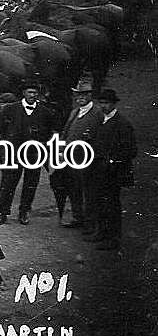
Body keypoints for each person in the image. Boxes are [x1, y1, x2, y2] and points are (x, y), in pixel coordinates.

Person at [0, 83, 56, 225]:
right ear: (24, 93)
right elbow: (2, 130)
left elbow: (48, 133)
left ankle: (24, 212)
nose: (32, 95)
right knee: (9, 184)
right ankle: (3, 213)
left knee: (30, 184)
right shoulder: (10, 109)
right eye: (30, 92)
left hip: (34, 155)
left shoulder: (45, 112)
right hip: (14, 154)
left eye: (35, 93)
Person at [85, 89, 136, 252]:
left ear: (114, 104)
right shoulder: (99, 120)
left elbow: (131, 150)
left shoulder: (122, 123)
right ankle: (101, 232)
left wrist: (113, 160)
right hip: (98, 170)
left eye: (106, 103)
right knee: (99, 202)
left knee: (111, 205)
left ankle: (113, 239)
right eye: (101, 103)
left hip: (113, 172)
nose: (103, 106)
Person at [60, 79, 103, 231]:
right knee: (74, 189)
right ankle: (78, 217)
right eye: (78, 94)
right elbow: (66, 133)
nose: (80, 97)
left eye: (84, 94)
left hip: (87, 160)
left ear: (90, 95)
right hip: (71, 159)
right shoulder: (75, 111)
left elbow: (102, 138)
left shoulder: (98, 113)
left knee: (89, 192)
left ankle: (91, 223)